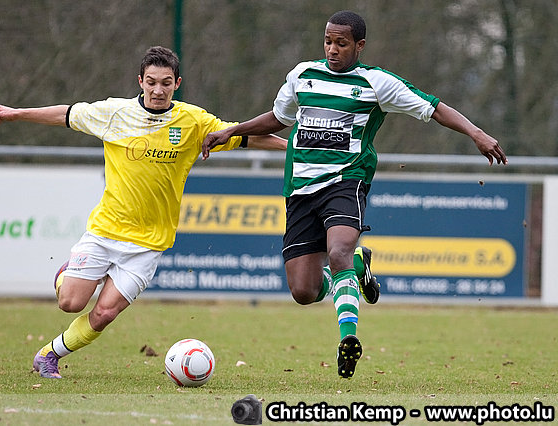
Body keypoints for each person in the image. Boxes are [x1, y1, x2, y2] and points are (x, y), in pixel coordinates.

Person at [202, 10, 508, 379]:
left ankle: (348, 337)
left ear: (359, 46)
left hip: (347, 181)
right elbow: (278, 118)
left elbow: (434, 108)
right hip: (300, 190)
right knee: (303, 291)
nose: (332, 49)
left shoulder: (376, 83)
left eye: (342, 43)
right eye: (328, 42)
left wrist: (477, 133)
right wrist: (231, 131)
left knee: (338, 251)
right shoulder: (302, 75)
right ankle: (358, 268)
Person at [0, 46, 286, 379]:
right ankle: (68, 274)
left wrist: (293, 148)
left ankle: (48, 355)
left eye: (166, 83)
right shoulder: (114, 113)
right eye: (151, 82)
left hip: (148, 244)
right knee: (70, 303)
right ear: (140, 81)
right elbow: (65, 114)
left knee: (104, 314)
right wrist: (16, 113)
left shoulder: (193, 121)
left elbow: (245, 137)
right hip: (105, 232)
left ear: (177, 83)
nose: (158, 90)